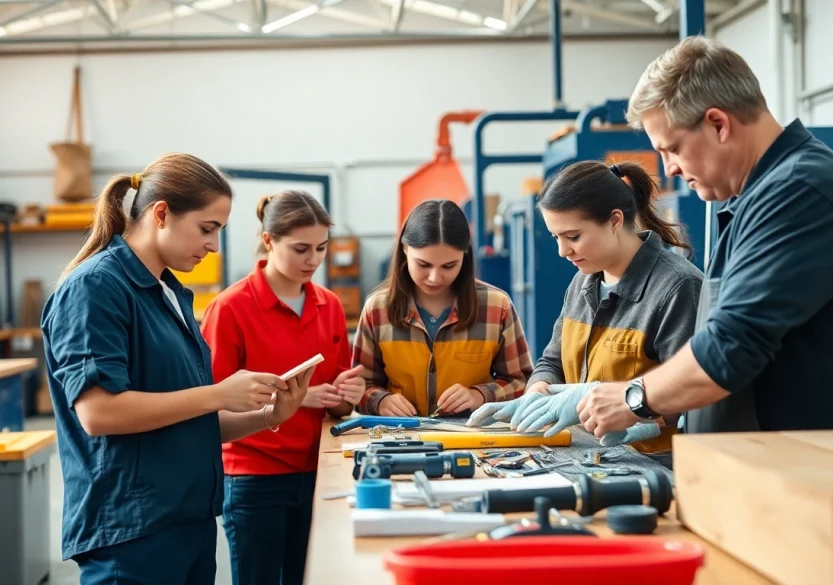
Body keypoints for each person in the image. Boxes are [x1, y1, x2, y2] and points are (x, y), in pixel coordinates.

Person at [576, 36, 833, 439]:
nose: (670, 169)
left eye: (673, 148)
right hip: (769, 470)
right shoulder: (759, 198)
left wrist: (634, 397)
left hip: (821, 476)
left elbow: (728, 350)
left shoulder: (802, 194)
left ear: (718, 123)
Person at [42, 153, 315, 585]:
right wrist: (219, 393)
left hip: (187, 519)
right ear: (162, 213)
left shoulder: (168, 293)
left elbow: (191, 417)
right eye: (207, 229)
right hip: (131, 530)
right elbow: (98, 414)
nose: (214, 245)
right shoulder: (95, 287)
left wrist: (268, 416)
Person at [467, 160, 703, 457]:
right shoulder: (582, 282)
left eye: (573, 237)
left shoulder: (678, 288)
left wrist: (641, 419)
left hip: (659, 466)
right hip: (585, 458)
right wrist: (538, 392)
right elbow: (552, 361)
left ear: (615, 221)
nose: (562, 251)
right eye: (556, 237)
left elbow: (694, 395)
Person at [200, 190, 365, 585]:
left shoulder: (328, 304)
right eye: (301, 249)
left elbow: (336, 407)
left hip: (318, 471)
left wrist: (346, 397)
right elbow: (209, 406)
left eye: (322, 248)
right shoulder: (230, 308)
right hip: (255, 475)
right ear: (269, 241)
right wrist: (296, 398)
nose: (314, 260)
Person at [352, 199, 533, 417]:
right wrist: (379, 401)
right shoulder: (377, 310)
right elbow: (360, 386)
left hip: (472, 439)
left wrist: (480, 396)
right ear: (405, 249)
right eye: (423, 264)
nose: (435, 277)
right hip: (401, 438)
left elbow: (521, 383)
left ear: (465, 256)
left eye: (449, 266)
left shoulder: (496, 306)